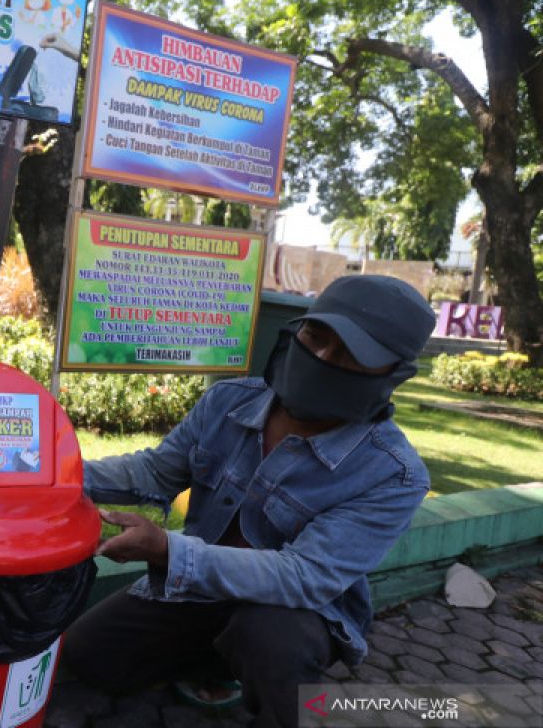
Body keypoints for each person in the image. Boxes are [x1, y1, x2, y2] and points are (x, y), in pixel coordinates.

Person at [63, 275, 437, 728]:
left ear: (395, 376)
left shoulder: (393, 474)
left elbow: (305, 577)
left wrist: (167, 549)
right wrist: (58, 476)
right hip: (196, 589)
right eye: (315, 338)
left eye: (350, 356)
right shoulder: (228, 400)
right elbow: (155, 472)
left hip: (293, 614)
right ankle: (210, 662)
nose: (321, 359)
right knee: (87, 656)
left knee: (269, 639)